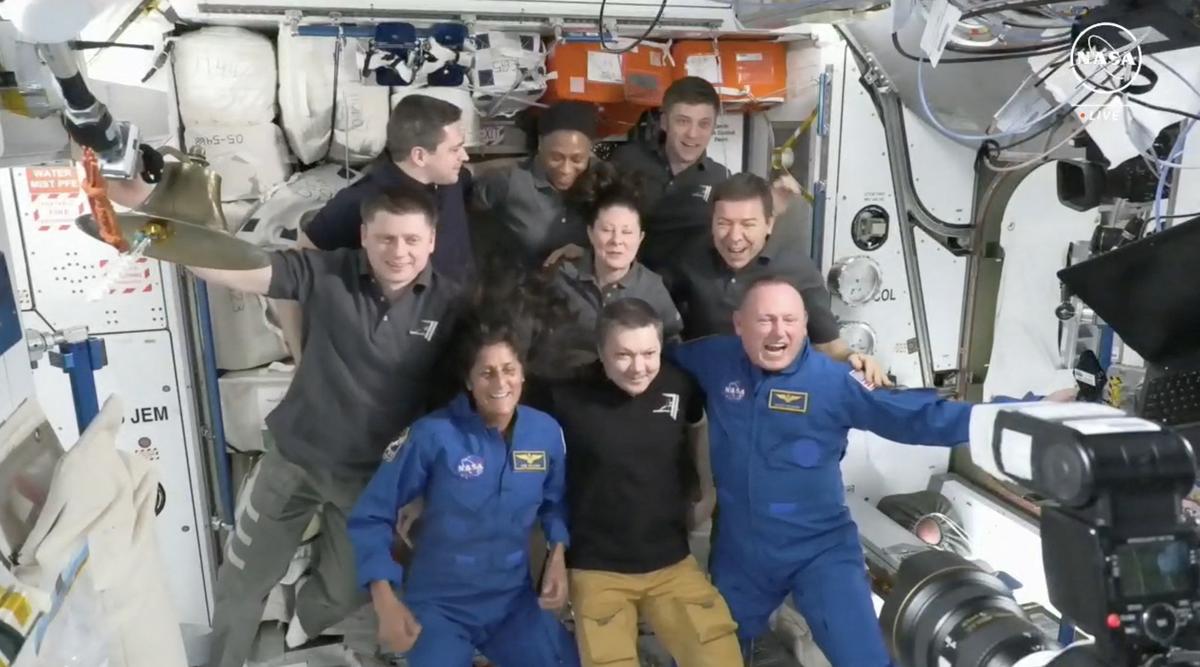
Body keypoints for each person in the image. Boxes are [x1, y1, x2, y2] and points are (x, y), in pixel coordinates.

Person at [190, 189, 464, 667]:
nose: (399, 252)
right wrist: (164, 242)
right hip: (294, 457)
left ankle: (302, 623)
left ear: (433, 240)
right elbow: (248, 269)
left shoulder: (452, 306)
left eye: (411, 240)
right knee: (242, 582)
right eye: (385, 239)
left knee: (348, 589)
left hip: (370, 480)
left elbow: (454, 401)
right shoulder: (327, 272)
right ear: (364, 236)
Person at [667, 276, 989, 665]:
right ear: (739, 324)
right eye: (764, 320)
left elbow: (920, 417)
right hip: (742, 550)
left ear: (804, 325)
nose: (778, 331)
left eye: (789, 320)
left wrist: (1019, 416)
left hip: (820, 550)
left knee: (863, 660)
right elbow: (650, 359)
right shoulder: (714, 360)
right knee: (707, 656)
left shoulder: (836, 382)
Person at [347, 312, 580, 667]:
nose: (500, 382)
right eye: (486, 373)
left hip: (512, 603)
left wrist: (558, 554)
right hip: (441, 606)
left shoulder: (545, 432)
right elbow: (371, 515)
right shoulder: (432, 435)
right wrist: (386, 600)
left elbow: (555, 501)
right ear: (469, 382)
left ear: (523, 373)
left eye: (509, 369)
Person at [532, 298, 741, 667]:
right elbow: (538, 474)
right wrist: (552, 552)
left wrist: (707, 492)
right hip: (598, 569)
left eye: (649, 353)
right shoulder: (564, 396)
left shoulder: (679, 385)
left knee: (721, 659)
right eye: (623, 355)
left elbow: (698, 430)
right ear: (600, 352)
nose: (638, 367)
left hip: (672, 562)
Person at [274, 94, 474, 363]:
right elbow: (291, 276)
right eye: (454, 149)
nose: (464, 155)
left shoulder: (452, 178)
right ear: (419, 155)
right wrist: (302, 357)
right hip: (399, 358)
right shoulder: (360, 201)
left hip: (459, 342)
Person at [668, 172, 890, 386]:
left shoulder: (798, 271)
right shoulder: (688, 259)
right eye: (724, 223)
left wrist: (854, 358)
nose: (735, 237)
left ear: (769, 224)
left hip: (773, 396)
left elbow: (829, 345)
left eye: (748, 224)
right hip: (706, 390)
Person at [610, 76, 801, 272]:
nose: (693, 134)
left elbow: (739, 242)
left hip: (692, 296)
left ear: (713, 128)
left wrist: (770, 209)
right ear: (665, 122)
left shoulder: (721, 180)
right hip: (628, 288)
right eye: (683, 121)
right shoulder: (625, 161)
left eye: (703, 124)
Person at [548, 169, 682, 365]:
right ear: (591, 233)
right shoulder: (562, 278)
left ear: (640, 238)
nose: (616, 241)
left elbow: (672, 345)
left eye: (627, 232)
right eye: (607, 230)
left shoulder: (653, 289)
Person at [470, 100, 599, 268]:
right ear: (540, 145)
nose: (566, 170)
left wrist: (588, 254)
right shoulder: (508, 180)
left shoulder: (602, 182)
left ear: (590, 151)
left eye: (577, 159)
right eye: (556, 158)